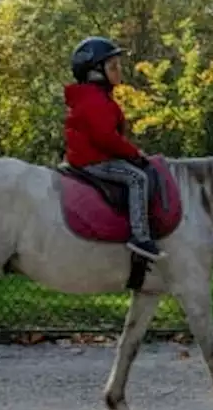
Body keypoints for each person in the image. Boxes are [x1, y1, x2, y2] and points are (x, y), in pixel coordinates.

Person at [63, 36, 165, 261]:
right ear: (95, 73)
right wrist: (134, 154)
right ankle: (140, 236)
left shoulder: (96, 98)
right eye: (113, 67)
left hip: (91, 157)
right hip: (94, 160)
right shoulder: (94, 100)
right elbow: (106, 138)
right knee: (137, 178)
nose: (119, 71)